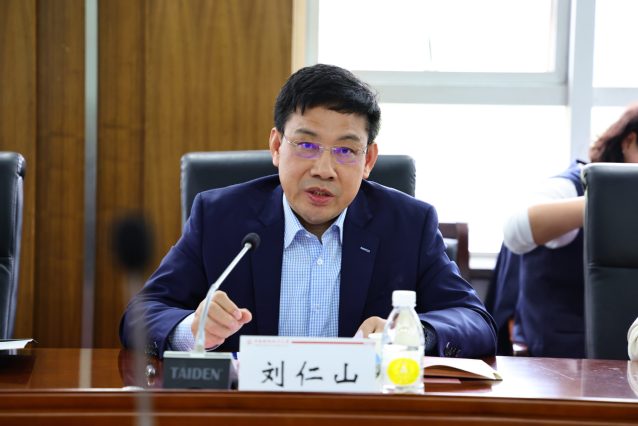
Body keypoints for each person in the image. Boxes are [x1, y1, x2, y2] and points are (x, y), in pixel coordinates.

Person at [120, 63, 497, 358]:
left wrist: (412, 333)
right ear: (276, 147)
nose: (324, 169)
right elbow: (143, 313)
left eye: (346, 150)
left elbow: (473, 321)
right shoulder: (220, 217)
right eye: (307, 145)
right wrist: (191, 329)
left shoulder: (408, 225)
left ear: (368, 161)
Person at [502, 104, 638, 358]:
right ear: (629, 142)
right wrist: (610, 202)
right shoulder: (569, 187)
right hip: (561, 359)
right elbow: (514, 231)